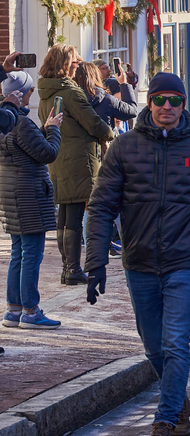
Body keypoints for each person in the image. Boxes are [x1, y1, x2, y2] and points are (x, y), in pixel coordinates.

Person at [84, 72, 190, 436]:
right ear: (149, 102)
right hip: (139, 262)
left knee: (175, 343)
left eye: (174, 100)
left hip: (184, 262)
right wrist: (95, 262)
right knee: (154, 347)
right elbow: (102, 206)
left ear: (184, 104)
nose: (166, 106)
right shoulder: (124, 147)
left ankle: (166, 418)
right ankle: (178, 399)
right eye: (159, 99)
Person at [37, 45, 114, 286]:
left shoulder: (45, 92)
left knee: (65, 212)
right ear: (63, 65)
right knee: (74, 214)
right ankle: (72, 268)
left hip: (58, 157)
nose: (77, 66)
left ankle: (67, 268)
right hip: (79, 160)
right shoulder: (70, 92)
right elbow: (93, 122)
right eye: (74, 62)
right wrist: (109, 134)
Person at [1, 74, 62, 329]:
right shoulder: (22, 123)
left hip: (10, 193)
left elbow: (25, 151)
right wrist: (53, 129)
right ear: (20, 93)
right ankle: (30, 311)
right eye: (29, 90)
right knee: (32, 254)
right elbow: (48, 153)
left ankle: (13, 310)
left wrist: (44, 130)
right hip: (29, 195)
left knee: (18, 253)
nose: (31, 94)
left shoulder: (5, 120)